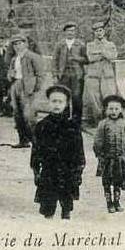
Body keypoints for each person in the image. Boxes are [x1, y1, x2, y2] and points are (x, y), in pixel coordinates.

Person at [30, 85, 86, 219]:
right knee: (48, 203)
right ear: (48, 102)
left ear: (66, 104)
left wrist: (78, 171)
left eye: (60, 102)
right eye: (54, 101)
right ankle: (48, 223)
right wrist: (36, 170)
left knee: (66, 200)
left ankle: (65, 220)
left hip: (67, 170)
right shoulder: (42, 126)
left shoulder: (72, 126)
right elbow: (36, 150)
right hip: (49, 170)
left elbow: (79, 151)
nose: (57, 105)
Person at [93, 94, 125, 213]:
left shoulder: (124, 123)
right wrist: (100, 154)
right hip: (107, 159)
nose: (113, 111)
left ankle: (117, 202)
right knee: (107, 181)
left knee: (118, 181)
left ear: (121, 110)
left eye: (116, 109)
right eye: (111, 108)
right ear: (106, 109)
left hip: (120, 158)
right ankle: (109, 203)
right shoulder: (103, 124)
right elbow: (98, 141)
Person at [7, 34, 44, 148]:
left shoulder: (33, 57)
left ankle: (36, 141)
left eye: (20, 43)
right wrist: (10, 75)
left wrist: (35, 88)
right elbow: (9, 73)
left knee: (29, 115)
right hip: (16, 85)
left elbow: (40, 75)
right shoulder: (14, 59)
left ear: (25, 44)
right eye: (15, 44)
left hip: (28, 87)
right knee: (17, 114)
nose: (17, 46)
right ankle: (23, 140)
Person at [83, 21, 118, 128]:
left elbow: (113, 57)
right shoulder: (90, 45)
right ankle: (98, 120)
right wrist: (103, 54)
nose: (99, 33)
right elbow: (90, 58)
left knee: (109, 96)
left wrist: (101, 52)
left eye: (100, 30)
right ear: (94, 33)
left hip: (107, 75)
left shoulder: (110, 44)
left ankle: (110, 119)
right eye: (96, 31)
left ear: (104, 31)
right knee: (94, 98)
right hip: (94, 75)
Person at [53, 23, 87, 125]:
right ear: (65, 32)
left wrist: (76, 58)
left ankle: (77, 121)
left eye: (72, 31)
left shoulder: (80, 44)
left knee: (76, 97)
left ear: (75, 32)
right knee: (63, 97)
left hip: (77, 75)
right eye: (68, 31)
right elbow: (55, 60)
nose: (70, 33)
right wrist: (55, 75)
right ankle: (64, 119)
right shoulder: (59, 45)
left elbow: (86, 59)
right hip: (63, 75)